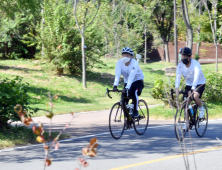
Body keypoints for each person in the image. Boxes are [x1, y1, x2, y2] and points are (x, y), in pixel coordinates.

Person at [175, 47, 206, 121]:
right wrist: (176, 88)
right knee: (186, 103)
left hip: (199, 83)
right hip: (189, 84)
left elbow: (196, 76)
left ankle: (201, 109)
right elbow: (178, 77)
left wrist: (193, 89)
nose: (183, 58)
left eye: (185, 56)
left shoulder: (196, 64)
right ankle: (187, 122)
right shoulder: (180, 65)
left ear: (189, 57)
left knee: (195, 97)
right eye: (182, 56)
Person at [113, 47, 144, 117]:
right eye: (123, 55)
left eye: (127, 55)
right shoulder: (119, 63)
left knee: (133, 92)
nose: (125, 57)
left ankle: (135, 111)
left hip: (137, 81)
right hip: (127, 82)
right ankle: (127, 117)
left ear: (131, 56)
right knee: (123, 98)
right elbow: (117, 75)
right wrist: (115, 86)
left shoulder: (135, 63)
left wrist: (127, 87)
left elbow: (131, 76)